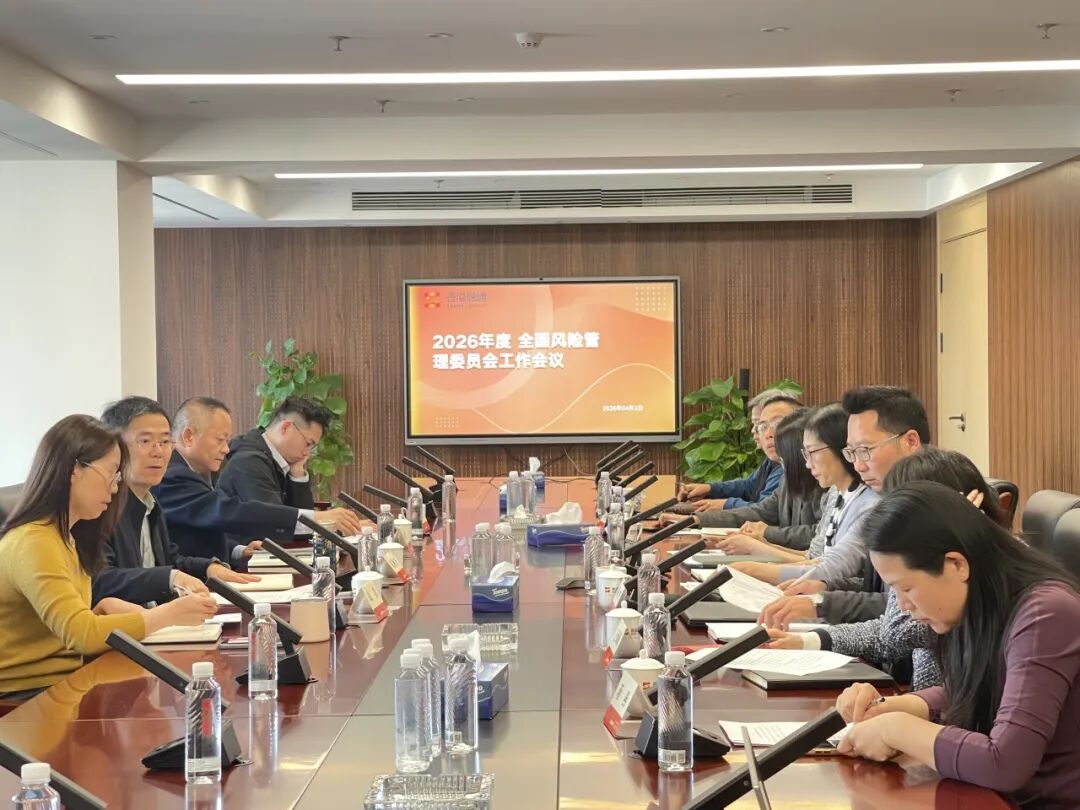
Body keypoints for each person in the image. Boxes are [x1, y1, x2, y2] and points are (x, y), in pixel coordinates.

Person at [834, 481, 1080, 808]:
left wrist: (897, 730)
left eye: (906, 588)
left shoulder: (1045, 613)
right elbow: (977, 688)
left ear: (956, 565)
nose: (903, 605)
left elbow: (1005, 763)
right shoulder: (983, 602)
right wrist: (900, 706)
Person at [0, 415, 216, 697]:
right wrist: (166, 615)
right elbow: (81, 635)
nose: (115, 488)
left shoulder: (64, 537)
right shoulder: (34, 542)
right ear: (74, 470)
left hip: (64, 683)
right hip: (25, 699)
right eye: (112, 473)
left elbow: (58, 631)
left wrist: (100, 609)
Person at [767, 447, 1007, 690]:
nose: (859, 464)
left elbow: (894, 632)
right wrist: (809, 640)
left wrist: (956, 537)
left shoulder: (984, 582)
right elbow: (885, 633)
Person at [758, 386, 929, 628]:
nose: (858, 465)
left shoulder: (926, 506)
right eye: (852, 452)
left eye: (865, 450)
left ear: (911, 441)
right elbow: (878, 591)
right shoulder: (889, 499)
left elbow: (903, 615)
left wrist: (823, 604)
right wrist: (824, 588)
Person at [155, 397, 362, 567]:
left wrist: (238, 550)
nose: (226, 449)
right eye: (220, 440)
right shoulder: (174, 476)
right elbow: (228, 511)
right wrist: (315, 519)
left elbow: (200, 531)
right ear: (188, 436)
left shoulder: (198, 470)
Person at [93, 396, 258, 606]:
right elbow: (101, 581)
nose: (158, 452)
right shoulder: (100, 508)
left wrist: (208, 568)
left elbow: (170, 560)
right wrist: (170, 578)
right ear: (113, 447)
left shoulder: (150, 503)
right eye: (145, 441)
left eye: (164, 442)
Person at [728, 404, 878, 586]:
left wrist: (753, 566)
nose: (807, 464)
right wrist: (761, 549)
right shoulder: (836, 493)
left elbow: (831, 568)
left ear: (840, 447)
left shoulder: (870, 504)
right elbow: (815, 558)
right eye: (804, 454)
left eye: (812, 453)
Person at [668, 408, 822, 551]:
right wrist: (695, 520)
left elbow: (818, 535)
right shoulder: (787, 477)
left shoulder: (823, 484)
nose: (768, 434)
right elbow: (760, 511)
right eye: (763, 426)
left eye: (776, 424)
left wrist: (766, 532)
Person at [217, 396, 363, 543]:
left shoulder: (277, 459)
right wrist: (322, 519)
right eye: (308, 443)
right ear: (286, 428)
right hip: (239, 555)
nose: (307, 453)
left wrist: (297, 474)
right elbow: (271, 523)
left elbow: (302, 534)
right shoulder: (249, 460)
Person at [676, 389, 795, 512]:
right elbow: (749, 486)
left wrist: (725, 504)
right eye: (761, 425)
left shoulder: (787, 465)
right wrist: (710, 488)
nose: (753, 430)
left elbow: (765, 511)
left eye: (759, 423)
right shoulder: (774, 459)